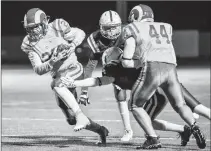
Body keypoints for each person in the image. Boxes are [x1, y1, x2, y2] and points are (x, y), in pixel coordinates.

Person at [60, 46, 209, 148]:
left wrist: (75, 82)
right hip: (161, 87)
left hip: (155, 93)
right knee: (151, 119)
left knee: (145, 120)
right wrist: (76, 82)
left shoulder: (113, 70)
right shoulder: (129, 64)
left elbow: (98, 81)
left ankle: (168, 135)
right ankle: (184, 129)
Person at [118, 4, 206, 149]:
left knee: (134, 105)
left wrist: (130, 60)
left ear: (134, 16)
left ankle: (153, 139)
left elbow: (127, 62)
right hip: (171, 68)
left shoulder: (132, 28)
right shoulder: (166, 27)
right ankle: (194, 127)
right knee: (180, 105)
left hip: (153, 68)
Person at [21, 8, 109, 146]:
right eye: (29, 28)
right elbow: (38, 69)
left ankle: (80, 115)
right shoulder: (29, 44)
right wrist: (52, 61)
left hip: (74, 69)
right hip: (58, 75)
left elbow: (80, 33)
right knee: (71, 120)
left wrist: (72, 45)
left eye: (35, 27)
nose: (32, 31)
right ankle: (101, 130)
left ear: (45, 23)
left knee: (57, 85)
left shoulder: (56, 27)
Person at [79, 10, 133, 142]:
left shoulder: (128, 31)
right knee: (120, 93)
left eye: (114, 27)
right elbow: (90, 66)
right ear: (101, 27)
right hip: (115, 65)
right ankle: (128, 130)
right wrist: (84, 92)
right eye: (107, 28)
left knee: (141, 99)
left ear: (120, 26)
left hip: (133, 60)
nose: (111, 32)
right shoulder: (96, 40)